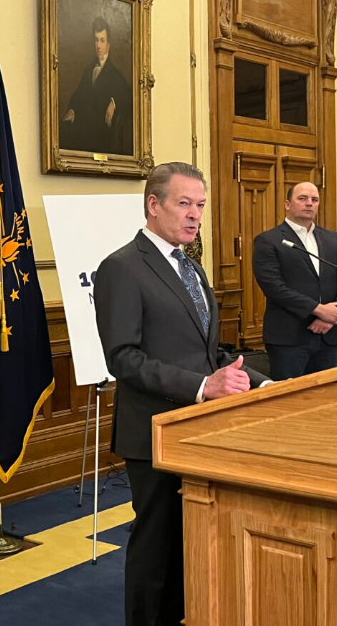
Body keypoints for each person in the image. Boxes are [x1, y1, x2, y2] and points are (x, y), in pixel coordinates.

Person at [93, 162, 270, 626]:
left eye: (201, 206)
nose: (195, 215)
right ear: (153, 205)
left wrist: (261, 382)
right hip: (154, 433)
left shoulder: (190, 267)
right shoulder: (121, 268)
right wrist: (202, 386)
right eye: (185, 204)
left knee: (188, 544)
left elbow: (209, 352)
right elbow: (123, 358)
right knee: (156, 549)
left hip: (198, 431)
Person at [252, 181, 337, 381]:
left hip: (328, 335)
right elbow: (274, 287)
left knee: (326, 394)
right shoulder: (268, 240)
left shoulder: (333, 239)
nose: (309, 203)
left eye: (314, 200)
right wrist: (318, 309)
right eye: (302, 198)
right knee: (290, 396)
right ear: (287, 204)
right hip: (289, 337)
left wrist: (330, 317)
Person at [60, 16, 132, 155]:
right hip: (84, 130)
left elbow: (128, 97)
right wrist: (72, 110)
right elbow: (79, 94)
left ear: (108, 45)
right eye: (96, 40)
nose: (98, 45)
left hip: (101, 136)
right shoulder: (89, 70)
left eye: (102, 40)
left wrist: (114, 102)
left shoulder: (115, 75)